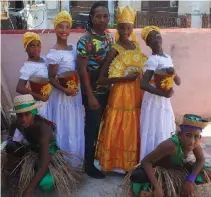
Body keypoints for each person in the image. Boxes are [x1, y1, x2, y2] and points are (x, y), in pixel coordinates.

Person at [95, 6, 147, 173]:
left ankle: (130, 164)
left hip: (136, 95)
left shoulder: (136, 46)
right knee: (120, 125)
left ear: (133, 28)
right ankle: (115, 164)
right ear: (117, 28)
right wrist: (123, 78)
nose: (125, 31)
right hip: (120, 96)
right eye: (122, 27)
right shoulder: (114, 50)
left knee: (133, 125)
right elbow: (102, 78)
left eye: (129, 27)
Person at [1, 94, 82, 197]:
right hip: (31, 150)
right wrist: (10, 149)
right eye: (20, 115)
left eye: (27, 114)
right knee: (10, 147)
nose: (23, 119)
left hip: (48, 156)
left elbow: (44, 164)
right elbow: (10, 139)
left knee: (45, 183)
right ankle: (19, 172)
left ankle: (41, 177)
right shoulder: (16, 122)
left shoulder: (43, 129)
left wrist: (29, 189)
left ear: (33, 113)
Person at [127, 114, 211, 197]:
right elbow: (146, 162)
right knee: (141, 179)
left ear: (200, 137)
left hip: (177, 170)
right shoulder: (170, 146)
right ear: (179, 135)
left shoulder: (194, 144)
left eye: (196, 136)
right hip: (158, 172)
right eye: (188, 135)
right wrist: (157, 186)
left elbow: (200, 160)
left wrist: (190, 180)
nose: (192, 141)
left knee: (205, 172)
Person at [77, 2, 113, 178]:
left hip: (108, 88)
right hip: (92, 89)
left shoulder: (109, 37)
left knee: (103, 126)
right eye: (98, 16)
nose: (102, 20)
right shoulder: (85, 40)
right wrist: (90, 96)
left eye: (105, 16)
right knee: (91, 127)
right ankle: (88, 165)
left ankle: (100, 158)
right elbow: (82, 70)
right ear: (91, 18)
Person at [46, 11, 84, 167]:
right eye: (60, 27)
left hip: (75, 95)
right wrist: (64, 90)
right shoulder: (54, 53)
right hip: (62, 97)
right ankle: (64, 164)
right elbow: (51, 78)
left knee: (75, 125)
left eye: (67, 27)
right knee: (64, 126)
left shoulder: (74, 48)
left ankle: (76, 161)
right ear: (55, 29)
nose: (64, 30)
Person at [140, 26, 181, 160]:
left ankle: (164, 161)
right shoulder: (152, 60)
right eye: (151, 39)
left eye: (158, 37)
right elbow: (143, 84)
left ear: (161, 38)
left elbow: (178, 81)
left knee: (164, 127)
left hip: (164, 101)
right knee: (153, 127)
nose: (155, 40)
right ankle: (150, 161)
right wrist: (162, 93)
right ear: (147, 43)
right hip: (153, 100)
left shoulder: (168, 58)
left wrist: (172, 72)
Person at [16, 32, 51, 119]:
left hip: (50, 99)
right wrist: (40, 97)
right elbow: (19, 88)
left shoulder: (44, 59)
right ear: (26, 48)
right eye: (31, 46)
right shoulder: (28, 66)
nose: (36, 49)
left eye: (38, 45)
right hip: (40, 102)